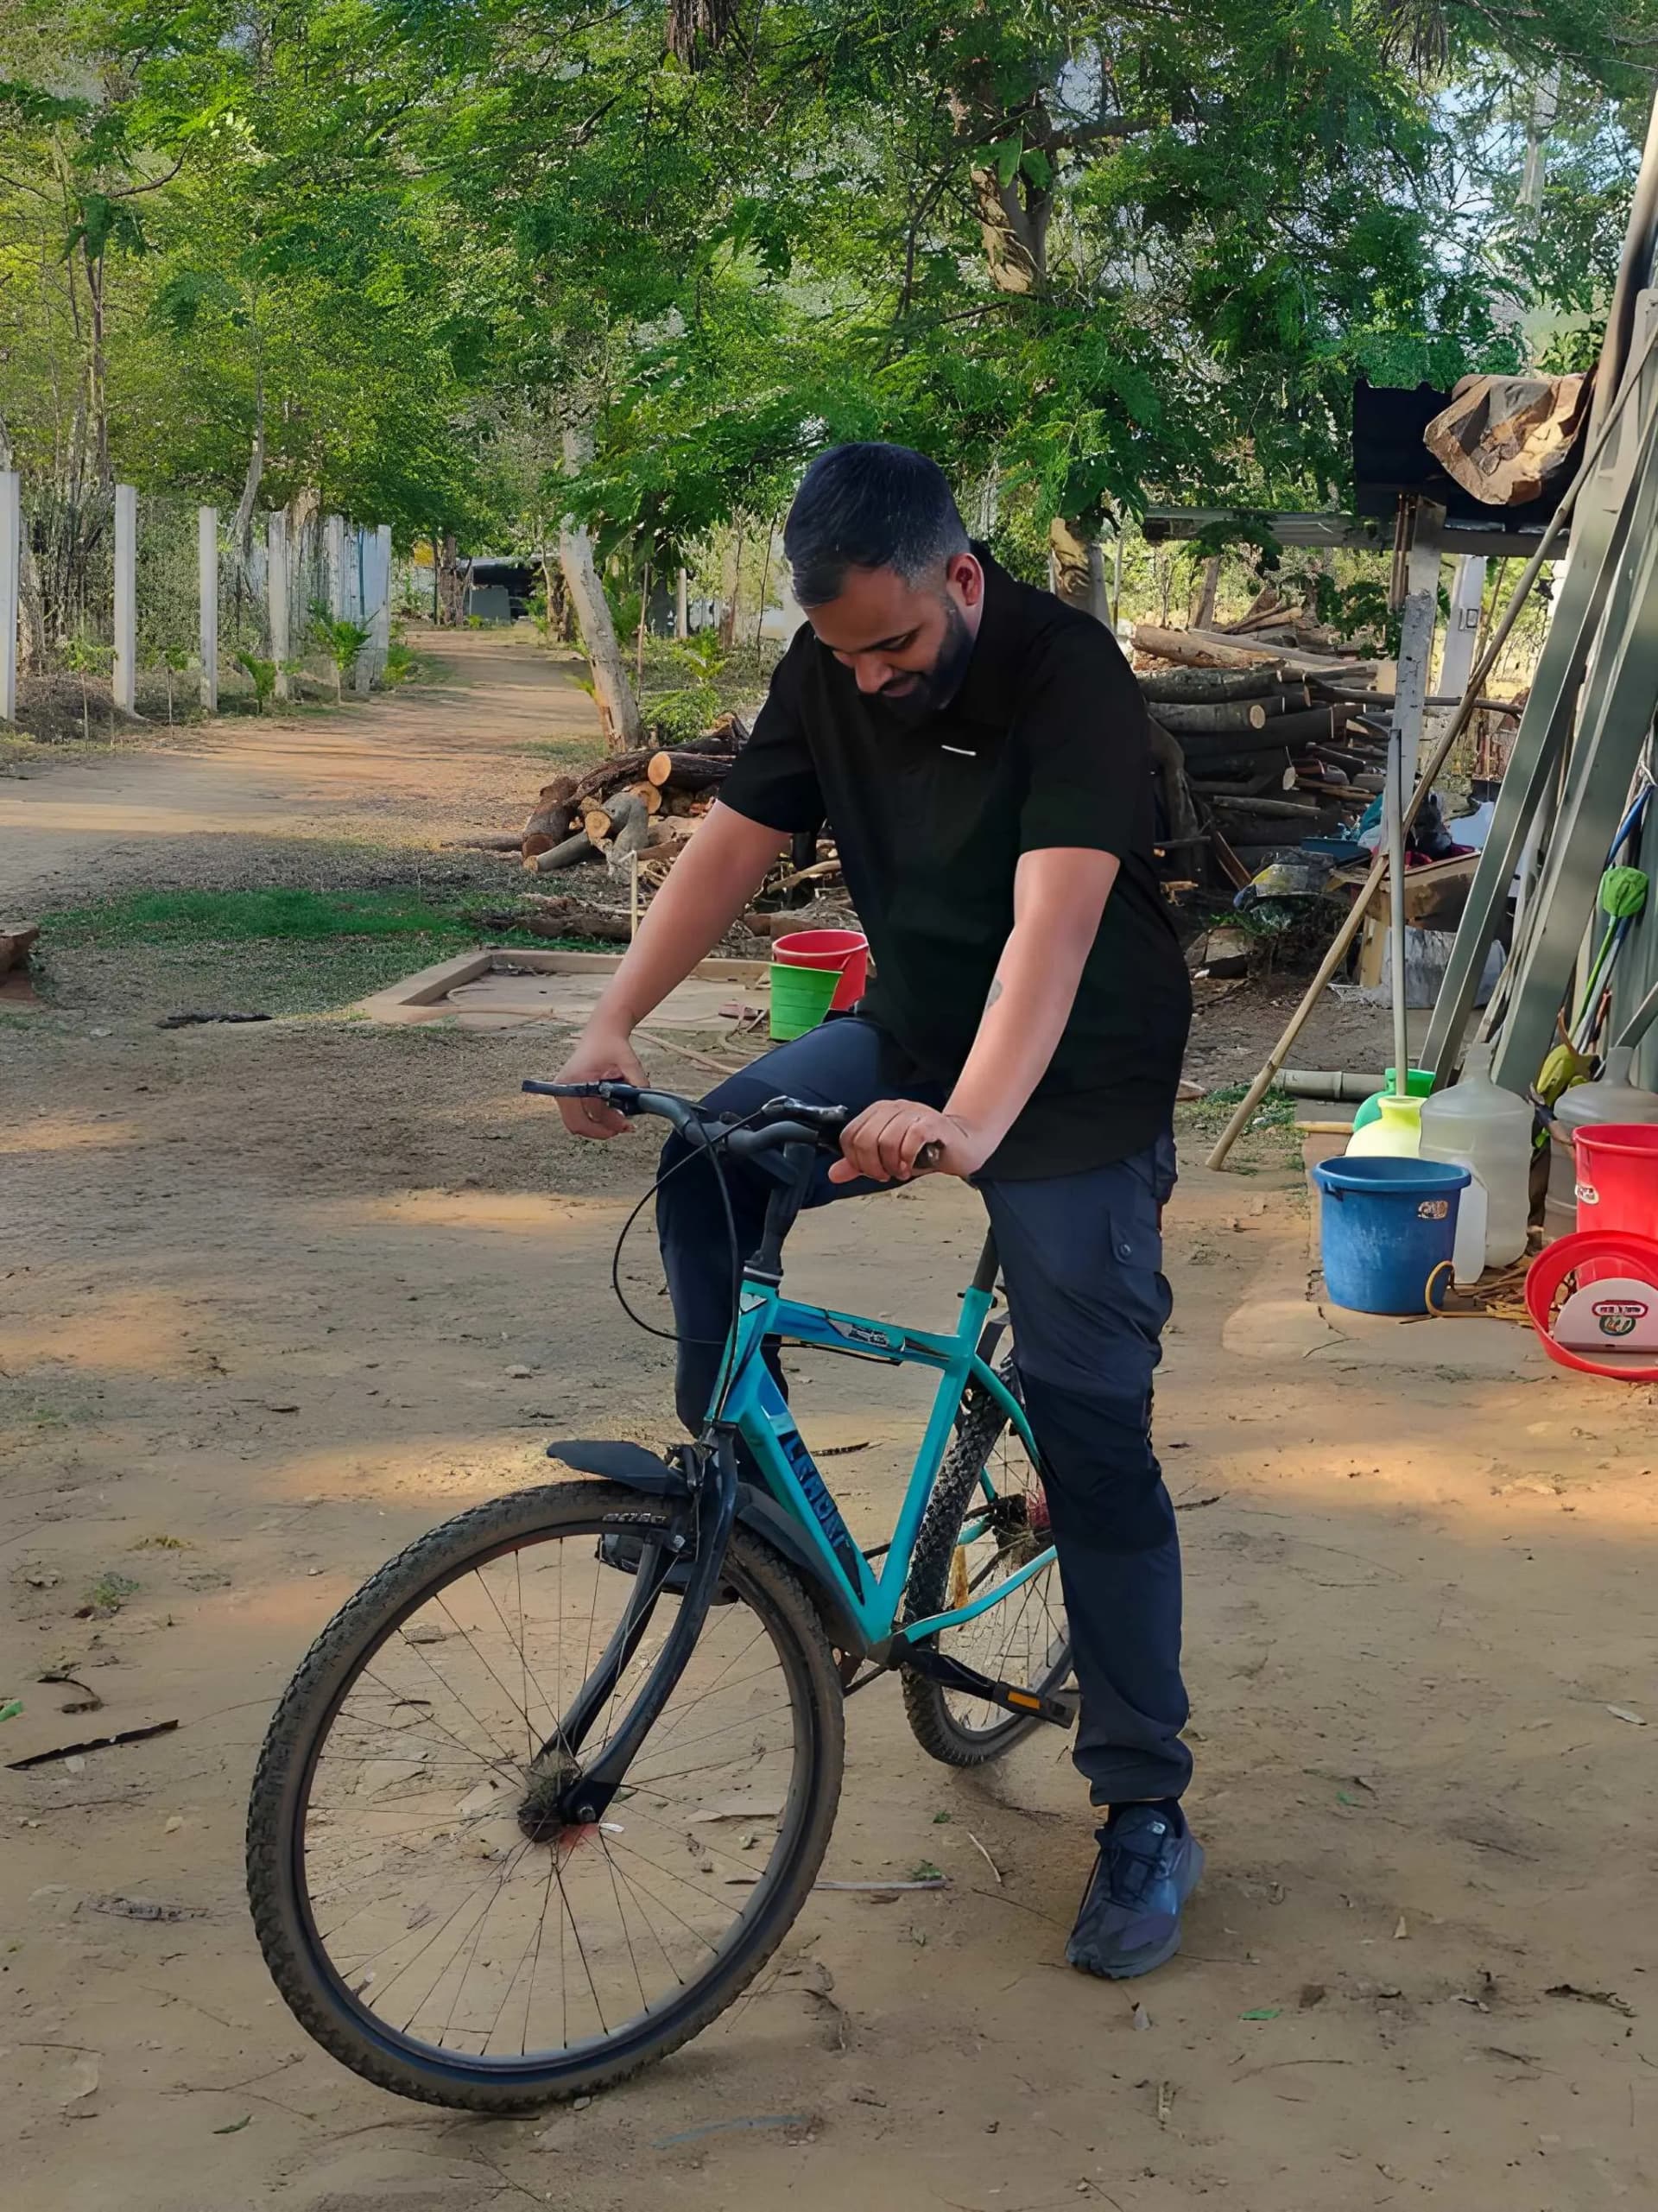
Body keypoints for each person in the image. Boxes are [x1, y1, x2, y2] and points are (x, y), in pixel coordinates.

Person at [554, 442, 1199, 1978]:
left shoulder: (1067, 674)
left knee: (1095, 1440)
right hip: (915, 1033)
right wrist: (612, 1022)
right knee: (706, 1154)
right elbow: (731, 846)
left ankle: (1145, 1807)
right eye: (846, 656)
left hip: (1079, 1078)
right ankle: (754, 1513)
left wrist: (972, 1124)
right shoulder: (834, 656)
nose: (873, 680)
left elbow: (1055, 922)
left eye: (895, 648)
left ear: (960, 578)